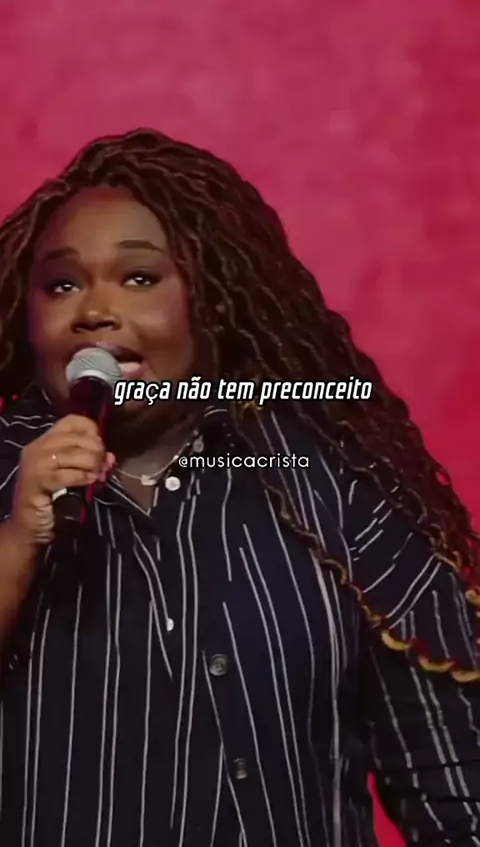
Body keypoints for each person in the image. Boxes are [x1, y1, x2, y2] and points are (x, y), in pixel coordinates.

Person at [0, 128, 479, 847]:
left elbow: (452, 780)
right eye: (62, 284)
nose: (94, 309)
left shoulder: (332, 481)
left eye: (140, 278)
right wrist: (18, 541)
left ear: (213, 302)